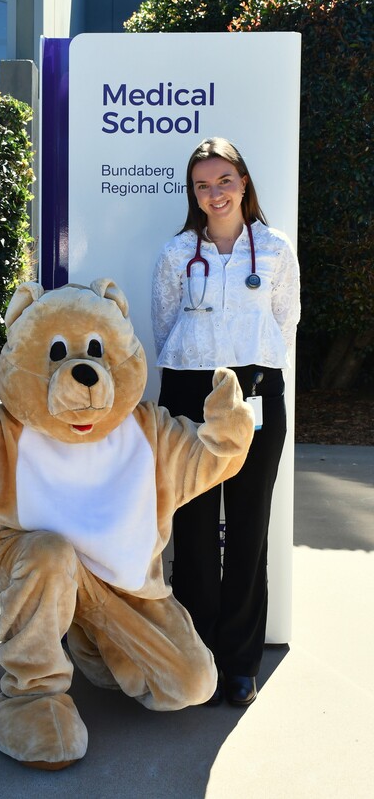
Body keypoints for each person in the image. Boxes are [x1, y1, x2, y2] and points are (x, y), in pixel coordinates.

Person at [151, 136, 300, 707]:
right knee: (191, 531)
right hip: (190, 391)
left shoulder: (276, 249)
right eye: (202, 185)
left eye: (224, 181)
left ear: (244, 184)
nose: (215, 193)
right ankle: (198, 658)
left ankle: (239, 665)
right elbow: (165, 324)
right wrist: (199, 367)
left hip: (256, 392)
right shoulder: (176, 253)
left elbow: (285, 322)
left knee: (247, 529)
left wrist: (249, 364)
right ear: (193, 194)